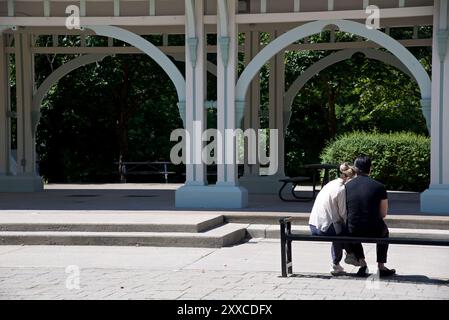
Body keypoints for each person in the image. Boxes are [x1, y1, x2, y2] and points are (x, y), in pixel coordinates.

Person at [345, 155, 396, 277]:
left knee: (352, 227)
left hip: (354, 231)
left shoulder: (346, 186)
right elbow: (383, 213)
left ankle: (362, 264)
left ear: (355, 169)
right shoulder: (379, 187)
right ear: (370, 169)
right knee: (384, 232)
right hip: (375, 230)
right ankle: (381, 266)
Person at [308, 163, 357, 275]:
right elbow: (343, 214)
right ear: (349, 178)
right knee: (345, 229)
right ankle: (349, 255)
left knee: (338, 229)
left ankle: (343, 259)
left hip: (313, 225)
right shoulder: (341, 189)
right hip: (324, 228)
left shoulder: (330, 184)